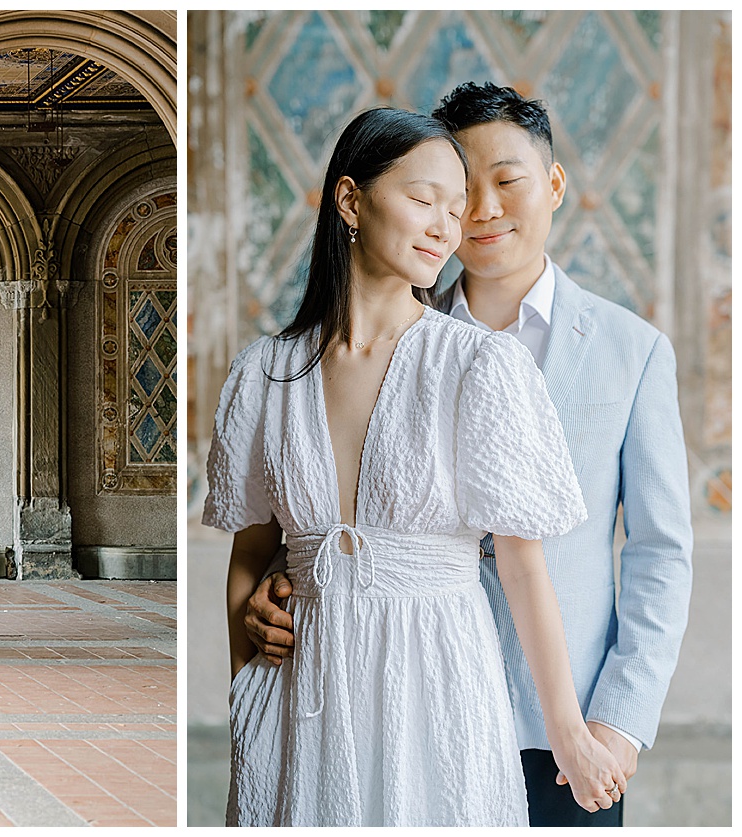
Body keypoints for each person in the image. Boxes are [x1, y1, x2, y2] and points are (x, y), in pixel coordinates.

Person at [239, 83, 694, 827]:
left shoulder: (631, 351)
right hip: (406, 710)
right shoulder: (384, 341)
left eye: (506, 181)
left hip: (566, 729)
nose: (478, 211)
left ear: (552, 185)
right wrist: (272, 586)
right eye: (456, 190)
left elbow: (661, 551)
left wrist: (617, 719)